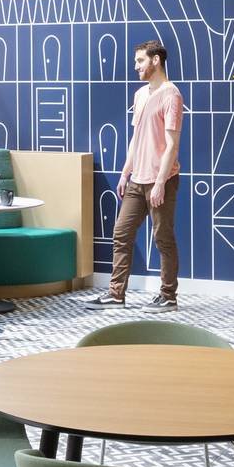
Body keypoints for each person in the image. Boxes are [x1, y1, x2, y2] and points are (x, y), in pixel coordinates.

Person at [89, 39, 185, 309]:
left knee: (163, 238)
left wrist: (160, 182)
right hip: (136, 179)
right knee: (121, 233)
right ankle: (116, 294)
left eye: (140, 61)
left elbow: (172, 145)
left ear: (156, 60)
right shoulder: (140, 94)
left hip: (161, 180)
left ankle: (168, 296)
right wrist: (125, 173)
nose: (136, 66)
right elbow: (136, 138)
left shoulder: (172, 95)